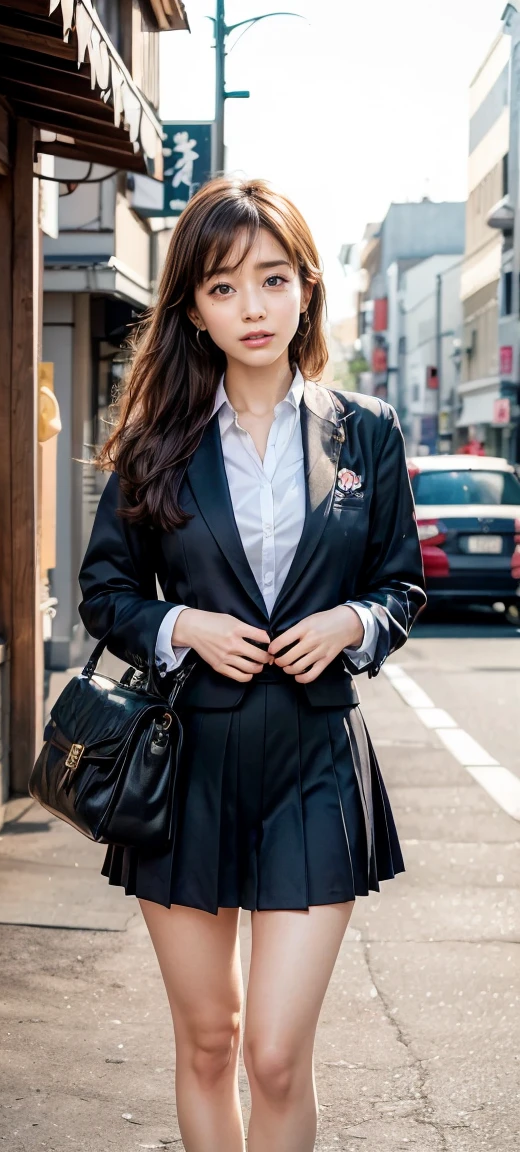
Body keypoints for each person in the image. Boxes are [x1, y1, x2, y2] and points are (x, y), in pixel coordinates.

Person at [78, 177, 426, 1152]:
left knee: (274, 1054)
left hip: (315, 760)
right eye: (225, 287)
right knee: (208, 1041)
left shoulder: (368, 433)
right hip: (185, 763)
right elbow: (105, 595)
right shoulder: (157, 442)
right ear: (192, 304)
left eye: (273, 280)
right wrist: (181, 627)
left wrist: (354, 623)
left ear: (307, 288)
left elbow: (402, 588)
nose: (253, 307)